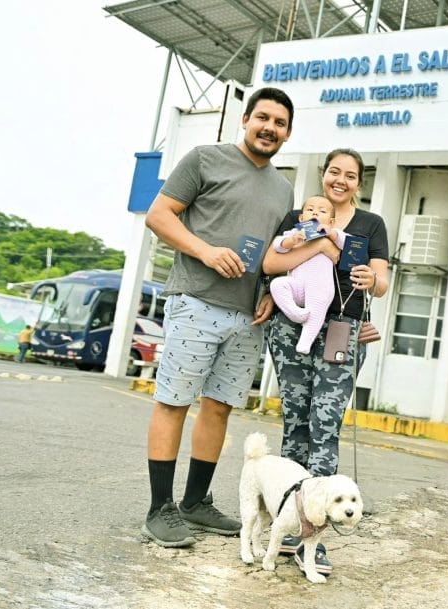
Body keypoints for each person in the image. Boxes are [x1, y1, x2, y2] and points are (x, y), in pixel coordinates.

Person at [140, 87, 295, 548]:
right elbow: (159, 215)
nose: (269, 128)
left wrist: (269, 292)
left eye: (280, 123)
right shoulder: (204, 159)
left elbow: (274, 254)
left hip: (247, 316)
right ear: (245, 120)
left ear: (288, 134)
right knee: (174, 402)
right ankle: (160, 508)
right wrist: (205, 251)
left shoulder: (283, 189)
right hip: (196, 300)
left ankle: (195, 502)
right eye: (262, 118)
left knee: (219, 407)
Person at [263, 148, 389, 575]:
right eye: (334, 171)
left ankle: (312, 539)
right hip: (292, 326)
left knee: (325, 425)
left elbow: (382, 281)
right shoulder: (299, 215)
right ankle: (287, 523)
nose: (340, 180)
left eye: (350, 175)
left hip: (342, 329)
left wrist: (372, 278)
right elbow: (272, 262)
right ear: (323, 175)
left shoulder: (371, 224)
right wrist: (320, 244)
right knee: (295, 423)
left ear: (359, 183)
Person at [269, 195, 348, 355]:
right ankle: (295, 313)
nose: (315, 213)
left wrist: (332, 234)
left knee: (316, 309)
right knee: (276, 285)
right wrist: (291, 241)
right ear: (301, 218)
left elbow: (348, 244)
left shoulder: (334, 234)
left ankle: (305, 342)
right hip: (296, 284)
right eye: (310, 209)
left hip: (319, 287)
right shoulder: (294, 233)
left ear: (331, 221)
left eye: (322, 211)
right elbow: (277, 245)